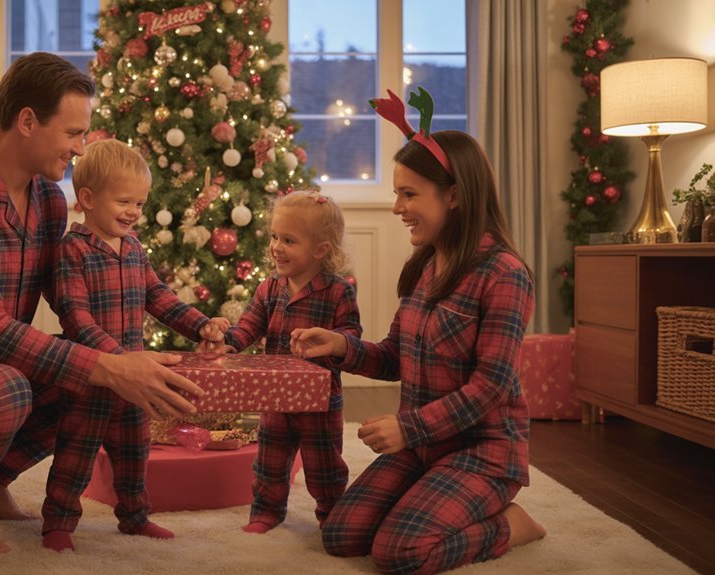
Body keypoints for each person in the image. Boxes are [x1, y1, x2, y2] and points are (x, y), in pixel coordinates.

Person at [0, 52, 206, 556]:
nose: (80, 147)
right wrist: (111, 367)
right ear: (27, 121)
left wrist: (130, 346)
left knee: (77, 369)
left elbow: (67, 289)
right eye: (73, 133)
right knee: (11, 385)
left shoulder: (47, 198)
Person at [290, 89, 546, 574]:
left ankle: (510, 525)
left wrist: (407, 427)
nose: (397, 208)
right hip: (423, 447)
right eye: (397, 194)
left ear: (454, 195)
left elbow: (491, 387)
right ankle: (436, 496)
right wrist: (341, 345)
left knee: (401, 552)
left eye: (409, 194)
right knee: (341, 536)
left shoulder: (505, 274)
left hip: (482, 451)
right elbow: (395, 356)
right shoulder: (425, 267)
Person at [41, 139, 231, 551]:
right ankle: (58, 522)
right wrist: (119, 360)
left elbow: (159, 297)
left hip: (135, 383)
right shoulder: (72, 250)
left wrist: (201, 326)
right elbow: (76, 317)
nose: (133, 212)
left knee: (134, 452)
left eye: (140, 204)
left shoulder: (132, 248)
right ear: (87, 199)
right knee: (75, 454)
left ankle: (135, 516)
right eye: (124, 201)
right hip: (91, 378)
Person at [218, 190, 362, 534]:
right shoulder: (270, 288)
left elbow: (351, 335)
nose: (276, 247)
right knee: (270, 459)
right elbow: (248, 326)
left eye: (289, 240)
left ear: (320, 250)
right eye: (274, 236)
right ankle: (266, 511)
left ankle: (331, 514)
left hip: (320, 401)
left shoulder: (338, 291)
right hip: (276, 397)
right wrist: (228, 343)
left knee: (324, 464)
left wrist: (332, 341)